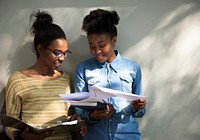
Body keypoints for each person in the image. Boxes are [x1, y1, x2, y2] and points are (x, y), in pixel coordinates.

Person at [5, 10, 86, 140]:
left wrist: (76, 120)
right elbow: (10, 123)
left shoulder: (65, 79)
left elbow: (68, 116)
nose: (62, 58)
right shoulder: (17, 80)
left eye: (65, 53)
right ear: (40, 48)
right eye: (57, 52)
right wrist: (21, 135)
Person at [75, 9, 147, 140]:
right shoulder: (83, 68)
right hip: (95, 136)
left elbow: (140, 112)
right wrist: (93, 116)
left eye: (102, 45)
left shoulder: (133, 68)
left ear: (114, 40)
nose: (97, 51)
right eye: (92, 46)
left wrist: (139, 107)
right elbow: (79, 110)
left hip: (128, 136)